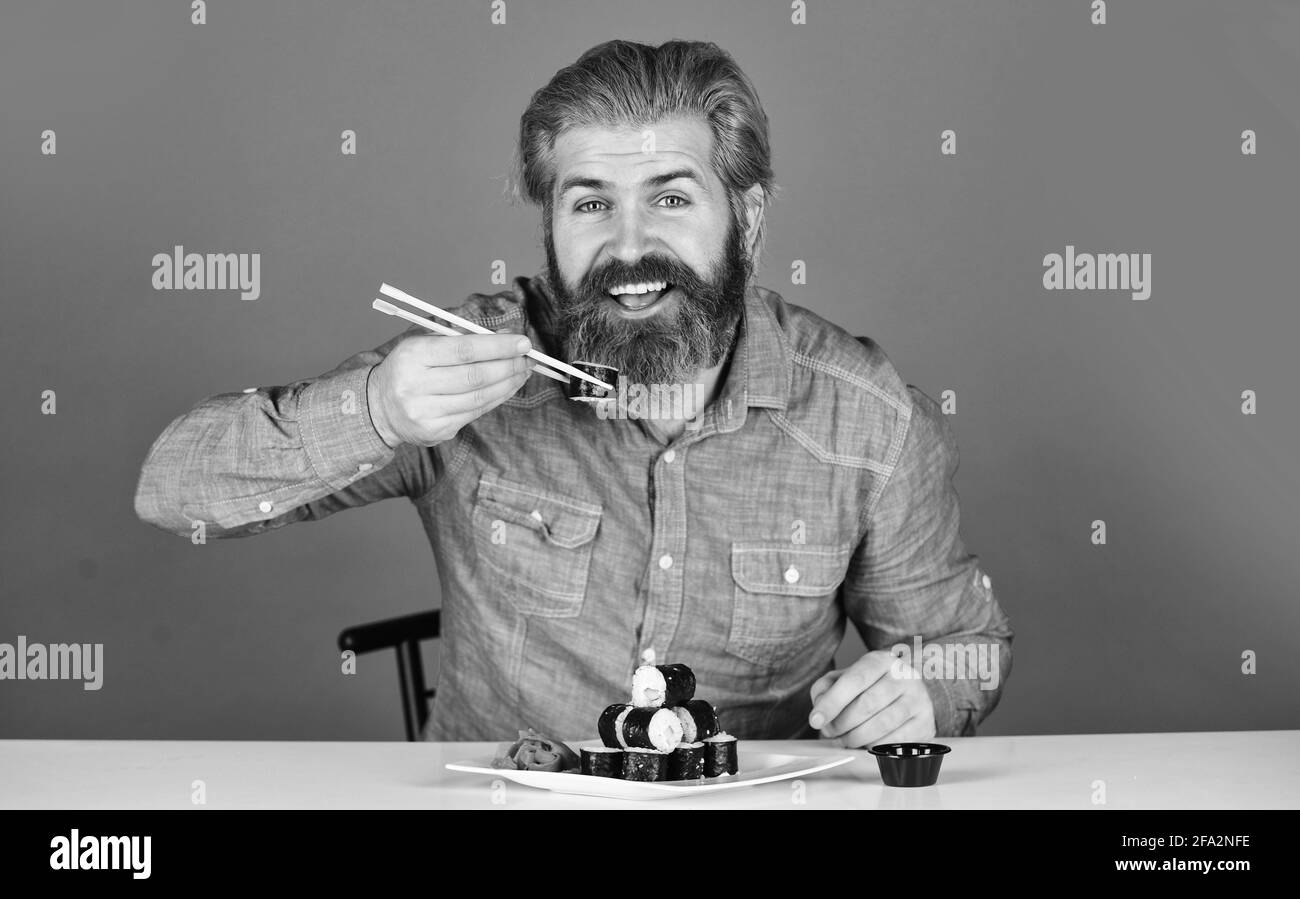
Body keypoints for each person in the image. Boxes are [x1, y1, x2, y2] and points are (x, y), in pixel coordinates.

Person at [134, 39, 1013, 746]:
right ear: (549, 224)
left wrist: (923, 694)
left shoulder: (865, 416)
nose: (630, 247)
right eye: (590, 204)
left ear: (746, 217)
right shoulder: (474, 364)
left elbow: (966, 651)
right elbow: (174, 490)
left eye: (671, 197)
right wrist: (377, 410)